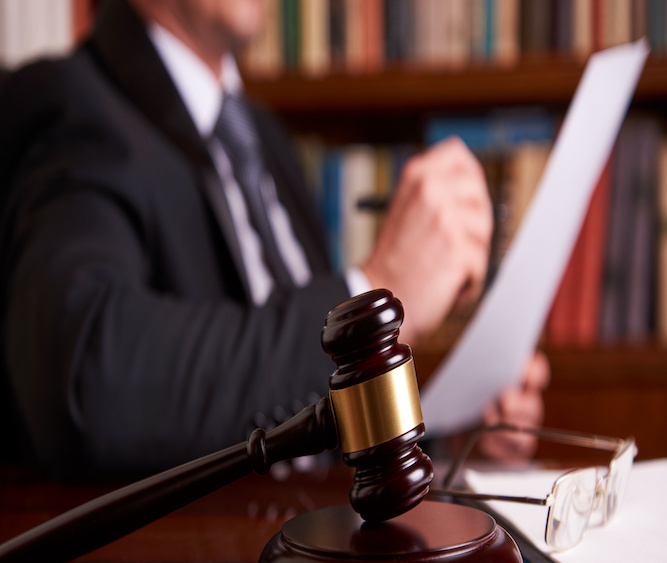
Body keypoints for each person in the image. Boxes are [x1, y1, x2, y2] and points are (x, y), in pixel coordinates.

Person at [0, 0, 549, 478]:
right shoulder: (66, 99)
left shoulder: (264, 136)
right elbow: (86, 379)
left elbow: (306, 411)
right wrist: (377, 285)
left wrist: (448, 440)